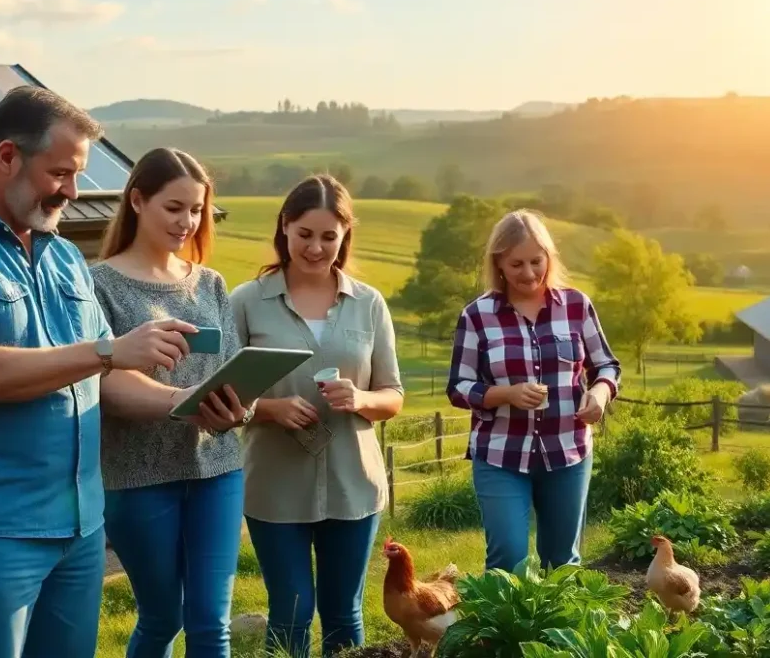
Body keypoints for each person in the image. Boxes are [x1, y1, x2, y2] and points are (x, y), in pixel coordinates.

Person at [0, 87, 246, 658]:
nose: (73, 192)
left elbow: (106, 378)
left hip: (80, 523)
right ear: (7, 157)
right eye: (60, 172)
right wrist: (105, 351)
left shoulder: (63, 257)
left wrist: (190, 403)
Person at [229, 174, 404, 658]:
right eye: (305, 233)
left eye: (329, 236)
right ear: (284, 227)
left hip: (354, 482)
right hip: (273, 485)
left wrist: (361, 400)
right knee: (292, 607)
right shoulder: (245, 301)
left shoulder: (368, 303)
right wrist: (268, 408)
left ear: (345, 235)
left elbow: (393, 394)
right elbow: (219, 395)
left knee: (343, 609)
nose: (315, 247)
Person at [90, 147, 250, 658]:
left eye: (197, 210)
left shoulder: (211, 284)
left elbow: (228, 373)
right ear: (138, 200)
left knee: (210, 623)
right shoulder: (98, 285)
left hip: (217, 469)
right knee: (162, 617)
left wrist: (238, 409)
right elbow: (105, 384)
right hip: (138, 478)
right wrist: (182, 399)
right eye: (174, 207)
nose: (188, 222)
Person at [446, 209, 621, 574]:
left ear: (548, 258)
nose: (528, 273)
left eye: (535, 261)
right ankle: (504, 633)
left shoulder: (576, 306)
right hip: (500, 455)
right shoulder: (477, 316)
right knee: (507, 560)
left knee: (563, 562)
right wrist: (505, 394)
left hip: (568, 451)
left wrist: (600, 395)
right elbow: (459, 387)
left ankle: (559, 630)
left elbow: (606, 365)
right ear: (499, 265)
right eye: (516, 264)